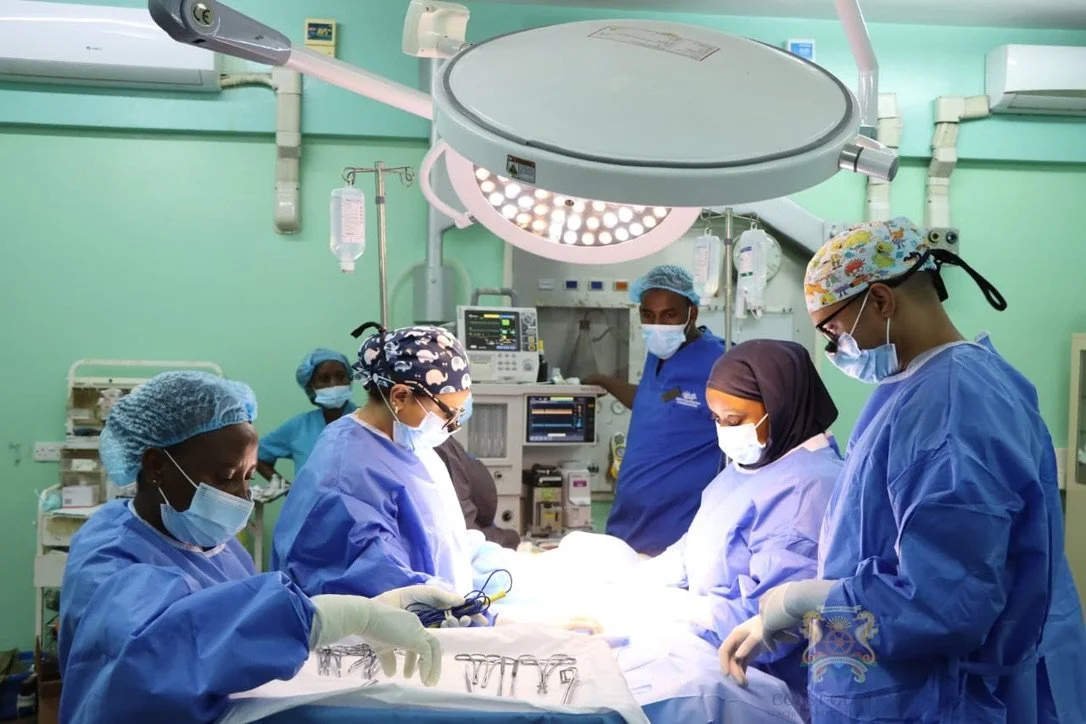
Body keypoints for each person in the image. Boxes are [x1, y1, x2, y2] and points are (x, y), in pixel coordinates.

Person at [719, 217, 1086, 723]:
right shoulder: (928, 387)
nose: (834, 348)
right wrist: (803, 615)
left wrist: (806, 599)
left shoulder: (952, 404)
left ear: (881, 301)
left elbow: (944, 603)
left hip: (943, 698)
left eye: (833, 330)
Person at [58, 371, 464, 723]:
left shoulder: (217, 548)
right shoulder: (109, 555)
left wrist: (368, 612)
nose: (241, 495)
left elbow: (238, 633)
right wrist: (330, 617)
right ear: (156, 467)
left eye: (248, 476)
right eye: (225, 477)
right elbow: (155, 654)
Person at [626, 339, 843, 717]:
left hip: (767, 688)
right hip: (712, 658)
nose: (725, 430)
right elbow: (701, 541)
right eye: (716, 419)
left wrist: (686, 611)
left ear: (779, 405)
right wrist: (641, 579)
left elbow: (774, 623)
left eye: (735, 420)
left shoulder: (806, 489)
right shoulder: (751, 468)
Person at [273, 323, 487, 600]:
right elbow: (377, 584)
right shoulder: (347, 475)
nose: (453, 425)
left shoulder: (411, 445)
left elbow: (439, 538)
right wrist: (450, 606)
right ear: (400, 396)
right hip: (390, 623)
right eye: (449, 413)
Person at [585, 264, 726, 555]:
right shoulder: (659, 354)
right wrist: (604, 381)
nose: (658, 324)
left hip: (677, 531)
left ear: (692, 313)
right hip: (628, 522)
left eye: (669, 315)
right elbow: (654, 401)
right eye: (648, 315)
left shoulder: (721, 361)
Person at [256, 348, 356, 483]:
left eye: (340, 376)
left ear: (350, 379)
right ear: (311, 386)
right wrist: (284, 488)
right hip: (309, 498)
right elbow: (258, 454)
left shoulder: (369, 421)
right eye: (324, 379)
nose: (334, 384)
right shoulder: (299, 426)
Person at [435, 434, 521, 550]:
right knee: (512, 538)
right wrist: (509, 540)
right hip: (470, 538)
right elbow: (465, 531)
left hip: (476, 530)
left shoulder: (444, 440)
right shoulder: (440, 446)